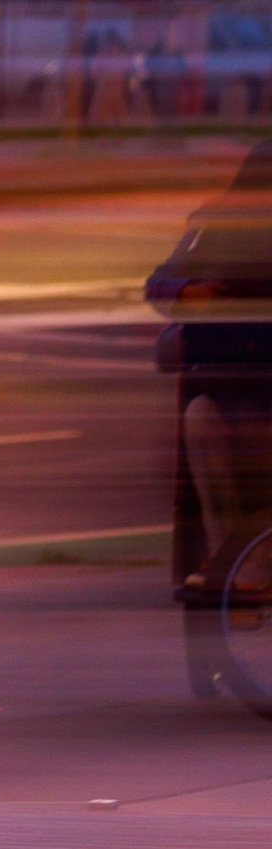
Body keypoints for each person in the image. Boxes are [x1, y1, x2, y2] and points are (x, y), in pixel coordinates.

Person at [150, 140, 272, 586]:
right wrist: (189, 293)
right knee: (199, 419)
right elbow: (162, 281)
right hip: (230, 393)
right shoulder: (214, 222)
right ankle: (234, 559)